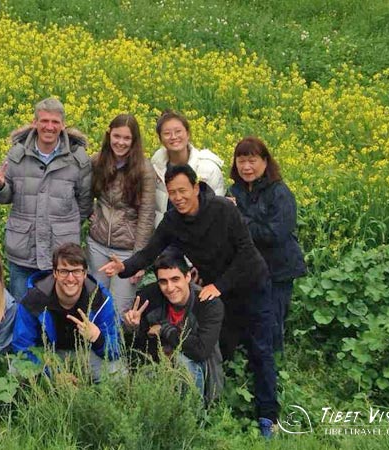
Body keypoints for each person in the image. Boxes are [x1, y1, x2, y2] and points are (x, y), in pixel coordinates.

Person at [98, 164, 277, 437]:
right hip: (217, 292)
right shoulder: (173, 220)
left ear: (196, 187)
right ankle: (220, 405)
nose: (178, 197)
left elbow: (247, 254)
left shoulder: (223, 210)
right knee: (222, 349)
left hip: (251, 285)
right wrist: (124, 267)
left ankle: (268, 417)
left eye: (183, 190)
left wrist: (219, 284)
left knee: (261, 351)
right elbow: (150, 252)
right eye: (172, 193)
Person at [0, 97, 92, 301]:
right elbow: (7, 196)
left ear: (63, 125)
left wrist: (65, 225)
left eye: (55, 122)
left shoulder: (77, 159)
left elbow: (85, 201)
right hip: (23, 248)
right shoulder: (17, 154)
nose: (49, 127)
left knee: (58, 308)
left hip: (61, 252)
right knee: (21, 306)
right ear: (34, 123)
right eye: (44, 121)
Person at [229, 136, 306, 352]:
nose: (246, 167)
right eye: (241, 161)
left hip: (278, 269)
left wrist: (240, 218)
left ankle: (274, 372)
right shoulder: (234, 191)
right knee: (250, 322)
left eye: (252, 161)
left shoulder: (280, 192)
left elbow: (275, 233)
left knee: (272, 323)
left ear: (265, 161)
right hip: (250, 269)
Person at [124, 250, 224, 403]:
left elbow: (201, 351)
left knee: (183, 361)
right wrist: (133, 328)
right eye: (163, 281)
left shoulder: (208, 303)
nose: (169, 287)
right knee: (145, 373)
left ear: (188, 277)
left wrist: (164, 329)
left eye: (175, 279)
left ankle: (193, 419)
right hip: (160, 366)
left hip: (197, 370)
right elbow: (136, 347)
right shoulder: (149, 298)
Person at [12, 243, 120, 381]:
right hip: (47, 356)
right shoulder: (35, 299)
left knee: (117, 371)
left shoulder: (100, 299)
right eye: (64, 271)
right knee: (15, 369)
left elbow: (115, 349)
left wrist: (97, 338)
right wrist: (53, 374)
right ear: (55, 273)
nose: (70, 278)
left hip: (85, 353)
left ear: (85, 273)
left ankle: (93, 395)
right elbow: (22, 346)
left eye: (76, 271)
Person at [87, 113, 156, 315]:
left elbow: (147, 217)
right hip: (97, 245)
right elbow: (83, 192)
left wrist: (138, 261)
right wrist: (90, 214)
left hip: (126, 251)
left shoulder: (144, 169)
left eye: (127, 138)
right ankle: (91, 347)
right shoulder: (97, 161)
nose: (121, 142)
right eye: (117, 136)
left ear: (134, 141)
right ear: (109, 135)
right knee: (95, 305)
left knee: (118, 310)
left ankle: (113, 348)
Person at [150, 110, 225, 226]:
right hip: (165, 236)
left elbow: (219, 212)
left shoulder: (209, 168)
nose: (173, 137)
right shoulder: (155, 167)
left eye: (178, 131)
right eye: (167, 133)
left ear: (188, 134)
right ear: (160, 139)